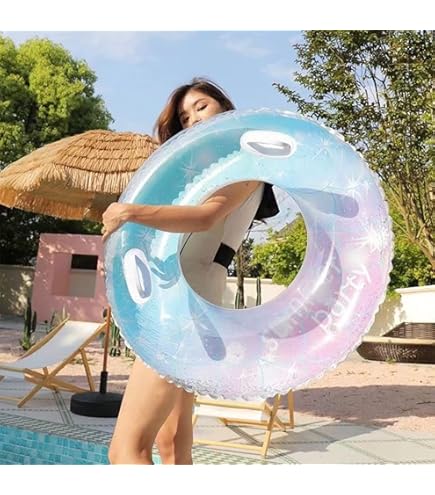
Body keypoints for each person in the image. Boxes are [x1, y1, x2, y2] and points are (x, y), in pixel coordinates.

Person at [102, 77, 278, 464]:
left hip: (183, 310)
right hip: (191, 304)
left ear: (225, 108)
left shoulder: (244, 166)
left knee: (125, 450)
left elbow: (206, 217)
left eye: (202, 107)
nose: (193, 119)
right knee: (172, 444)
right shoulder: (211, 175)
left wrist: (130, 212)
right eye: (184, 117)